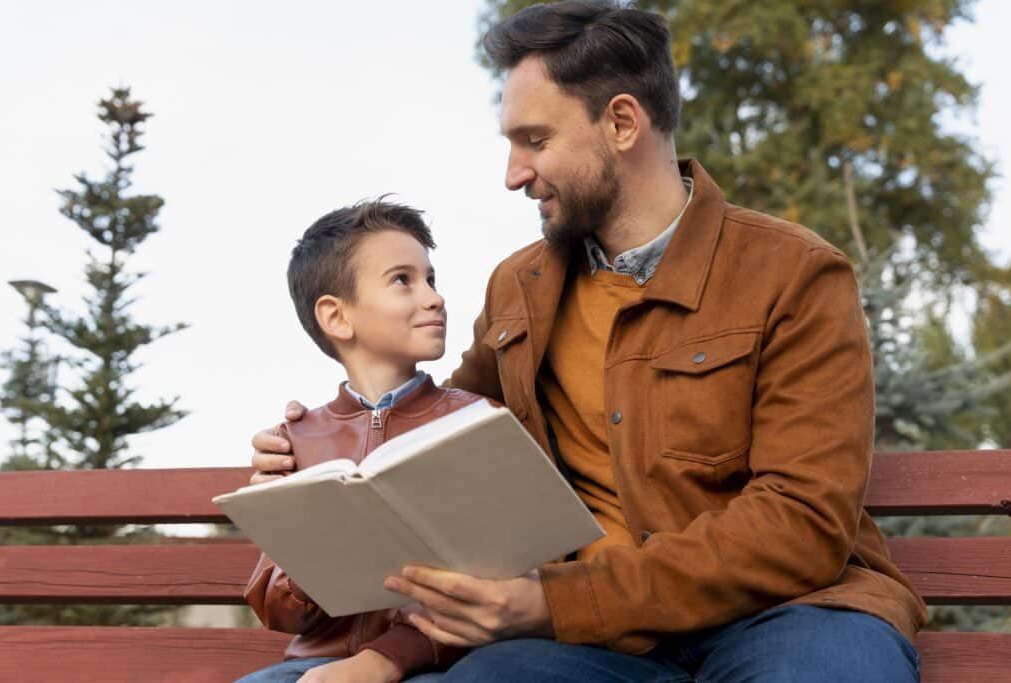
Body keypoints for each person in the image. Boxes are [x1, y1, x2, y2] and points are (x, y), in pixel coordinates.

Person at [251, 2, 926, 681]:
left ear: (622, 123)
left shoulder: (794, 273)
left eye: (535, 140)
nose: (513, 173)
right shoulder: (519, 288)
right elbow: (433, 442)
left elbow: (800, 524)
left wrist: (553, 601)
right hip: (591, 647)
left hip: (792, 614)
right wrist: (312, 458)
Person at [238, 199, 492, 683]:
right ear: (336, 317)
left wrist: (386, 660)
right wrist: (310, 555)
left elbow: (498, 579)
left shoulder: (475, 421)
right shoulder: (296, 439)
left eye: (431, 280)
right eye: (403, 280)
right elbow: (278, 609)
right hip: (315, 664)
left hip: (438, 663)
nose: (434, 297)